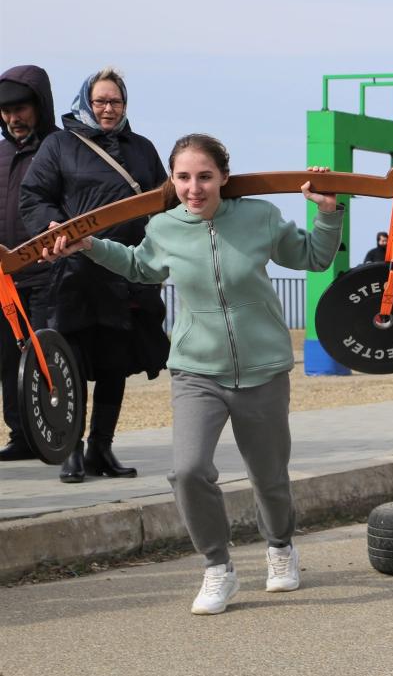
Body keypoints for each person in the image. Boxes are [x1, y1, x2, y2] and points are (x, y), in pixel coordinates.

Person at [44, 134, 343, 615]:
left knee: (268, 476)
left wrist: (327, 213)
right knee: (186, 471)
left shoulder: (260, 218)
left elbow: (314, 258)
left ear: (224, 177)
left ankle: (281, 548)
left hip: (263, 368)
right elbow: (141, 266)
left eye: (204, 176)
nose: (194, 188)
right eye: (183, 177)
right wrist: (90, 246)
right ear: (172, 180)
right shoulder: (163, 227)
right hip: (195, 370)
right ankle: (217, 568)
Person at [20, 67, 169, 483]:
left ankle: (102, 448)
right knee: (71, 360)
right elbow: (34, 196)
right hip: (74, 274)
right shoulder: (59, 145)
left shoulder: (141, 148)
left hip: (127, 272)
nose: (108, 109)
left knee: (114, 363)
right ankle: (72, 447)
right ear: (86, 101)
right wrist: (50, 226)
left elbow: (163, 202)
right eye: (101, 101)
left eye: (115, 102)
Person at [0, 65, 56, 461]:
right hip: (4, 278)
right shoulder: (0, 155)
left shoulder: (61, 148)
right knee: (8, 360)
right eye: (5, 110)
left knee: (48, 356)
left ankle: (57, 436)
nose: (13, 118)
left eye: (20, 107)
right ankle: (20, 437)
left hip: (50, 273)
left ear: (39, 105)